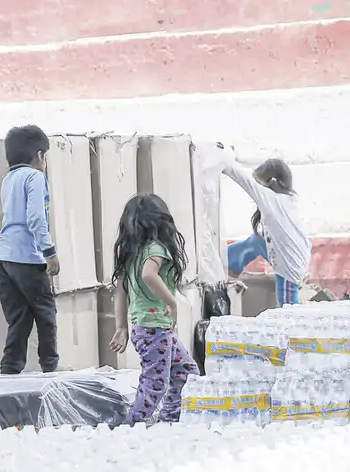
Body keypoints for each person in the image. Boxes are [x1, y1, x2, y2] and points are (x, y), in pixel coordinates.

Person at [108, 193, 199, 424]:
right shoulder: (157, 249)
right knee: (155, 383)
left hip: (144, 328)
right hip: (155, 329)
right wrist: (171, 302)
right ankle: (131, 426)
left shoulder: (131, 254)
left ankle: (170, 418)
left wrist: (121, 327)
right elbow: (148, 275)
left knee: (185, 369)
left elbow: (120, 290)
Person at [0, 125, 60, 375]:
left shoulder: (8, 179)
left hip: (2, 258)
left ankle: (9, 369)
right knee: (46, 313)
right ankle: (50, 369)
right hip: (25, 259)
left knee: (19, 319)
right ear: (40, 155)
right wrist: (49, 252)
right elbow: (35, 218)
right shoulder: (35, 177)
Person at [220, 147, 311, 306]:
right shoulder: (289, 198)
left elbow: (243, 179)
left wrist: (222, 158)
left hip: (290, 263)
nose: (259, 188)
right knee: (256, 241)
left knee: (288, 306)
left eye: (260, 184)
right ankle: (229, 263)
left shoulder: (272, 200)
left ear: (272, 182)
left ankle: (292, 329)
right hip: (293, 252)